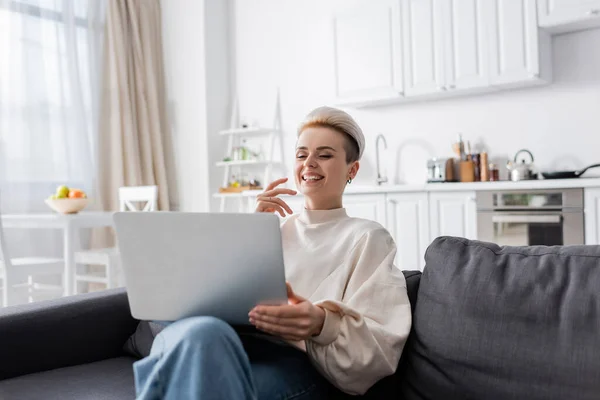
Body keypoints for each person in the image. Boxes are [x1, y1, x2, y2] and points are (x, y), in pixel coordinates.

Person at [133, 106, 412, 399]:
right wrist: (249, 230)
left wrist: (321, 323)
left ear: (351, 169)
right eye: (302, 154)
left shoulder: (369, 237)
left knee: (199, 339)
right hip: (231, 341)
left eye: (325, 155)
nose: (309, 163)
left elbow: (380, 350)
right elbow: (222, 294)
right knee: (195, 332)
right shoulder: (270, 230)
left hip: (296, 365)